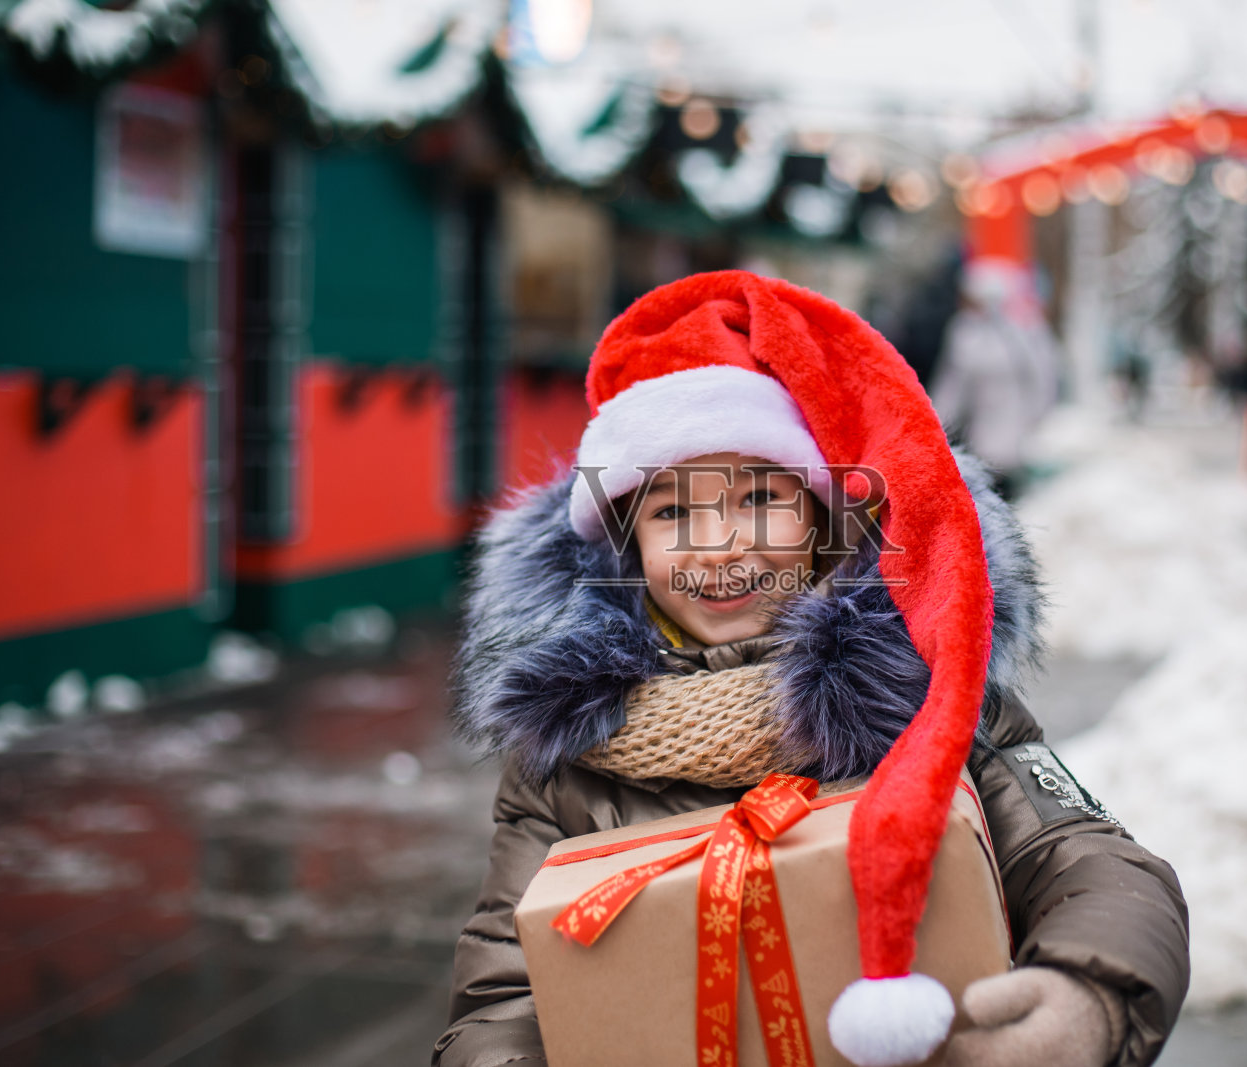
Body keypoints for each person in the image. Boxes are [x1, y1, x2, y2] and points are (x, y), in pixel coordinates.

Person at [438, 271, 1189, 1067]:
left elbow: (1093, 862)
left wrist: (1086, 999)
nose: (722, 545)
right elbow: (501, 991)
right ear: (626, 544)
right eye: (673, 511)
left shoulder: (931, 690)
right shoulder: (563, 758)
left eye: (761, 498)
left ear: (824, 521)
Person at [929, 263, 1061, 499]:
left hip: (1000, 439)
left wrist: (935, 426)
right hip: (993, 438)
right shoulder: (1006, 332)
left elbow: (951, 388)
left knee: (996, 499)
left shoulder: (988, 333)